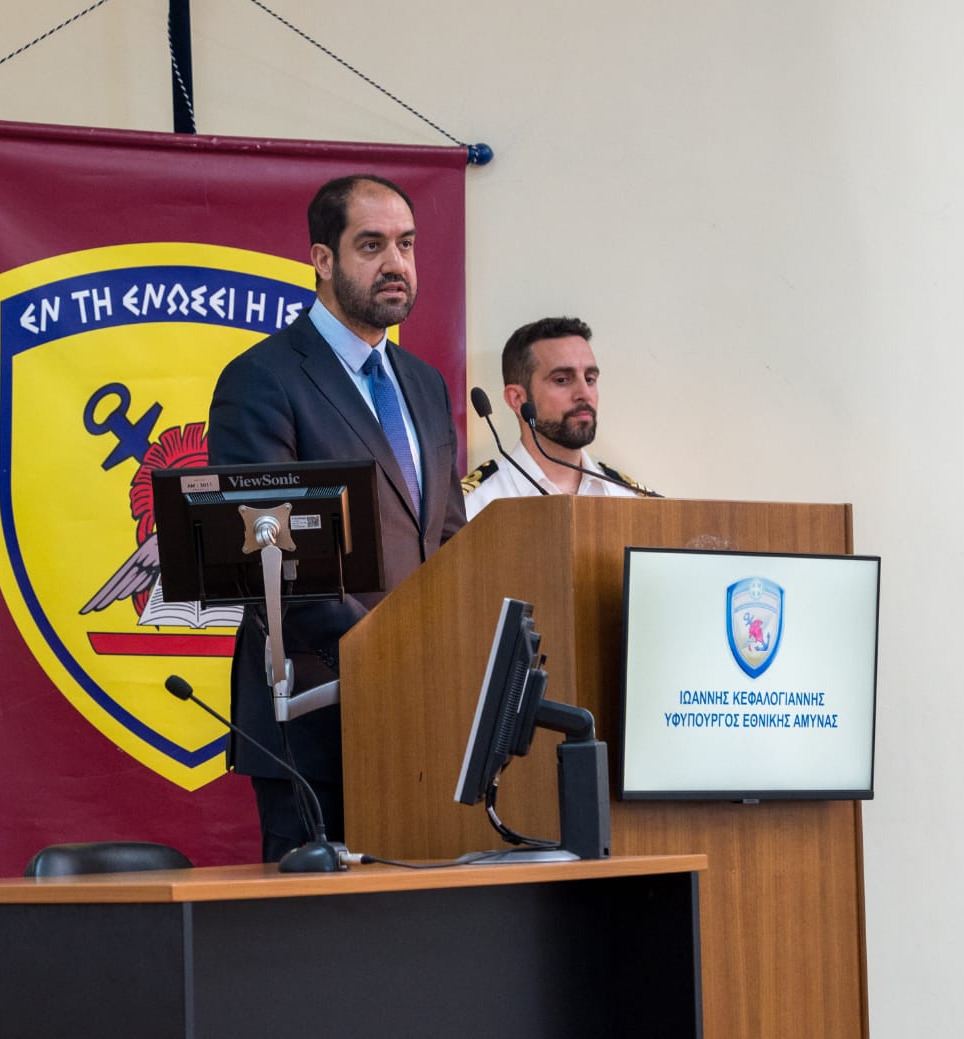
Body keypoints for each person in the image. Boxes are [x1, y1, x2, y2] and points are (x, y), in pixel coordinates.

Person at [208, 174, 466, 862]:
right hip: (314, 718)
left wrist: (454, 650)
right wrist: (385, 649)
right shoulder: (262, 377)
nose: (396, 263)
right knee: (318, 924)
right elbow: (268, 552)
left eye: (407, 244)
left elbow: (446, 537)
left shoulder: (424, 383)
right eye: (372, 245)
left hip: (423, 720)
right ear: (323, 259)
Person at [463, 317, 654, 520]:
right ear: (517, 399)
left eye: (590, 379)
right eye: (562, 380)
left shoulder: (633, 501)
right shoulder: (471, 507)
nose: (584, 393)